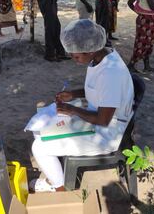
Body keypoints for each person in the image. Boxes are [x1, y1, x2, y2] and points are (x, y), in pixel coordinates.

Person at [31, 19, 134, 192]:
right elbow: (100, 91)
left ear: (91, 49)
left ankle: (59, 188)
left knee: (39, 147)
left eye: (76, 55)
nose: (73, 58)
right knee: (39, 129)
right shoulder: (101, 57)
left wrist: (72, 109)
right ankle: (57, 174)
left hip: (108, 132)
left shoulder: (111, 73)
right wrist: (73, 94)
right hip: (100, 118)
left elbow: (102, 120)